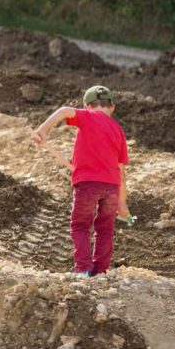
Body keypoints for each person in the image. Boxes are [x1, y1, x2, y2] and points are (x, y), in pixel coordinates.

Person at [32, 85, 130, 277]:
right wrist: (122, 203)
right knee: (105, 230)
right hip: (112, 188)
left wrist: (43, 129)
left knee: (80, 225)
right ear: (112, 107)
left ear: (86, 105)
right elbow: (121, 172)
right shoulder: (118, 131)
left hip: (87, 184)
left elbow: (63, 111)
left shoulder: (87, 116)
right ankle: (100, 271)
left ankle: (83, 270)